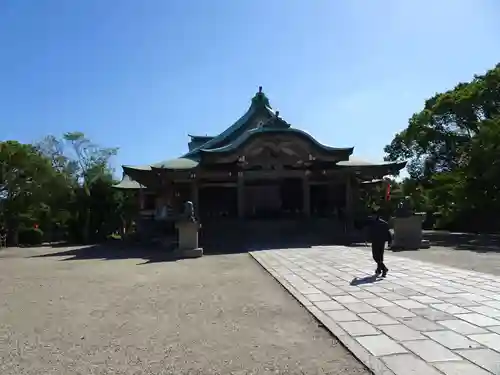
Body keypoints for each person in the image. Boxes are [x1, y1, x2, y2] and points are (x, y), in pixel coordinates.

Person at [368, 212, 392, 277]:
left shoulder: (377, 223)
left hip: (377, 241)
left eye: (373, 215)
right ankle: (379, 269)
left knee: (376, 256)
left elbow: (387, 233)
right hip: (381, 241)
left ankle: (384, 268)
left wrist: (389, 241)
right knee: (380, 257)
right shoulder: (383, 223)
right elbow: (388, 233)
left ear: (376, 216)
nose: (372, 216)